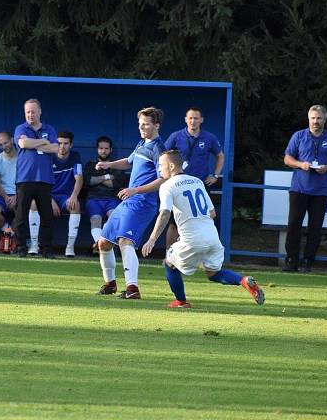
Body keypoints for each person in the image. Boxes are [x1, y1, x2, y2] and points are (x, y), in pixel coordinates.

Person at [141, 150, 265, 308]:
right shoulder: (196, 181)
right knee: (213, 274)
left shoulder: (167, 186)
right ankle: (243, 281)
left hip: (192, 239)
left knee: (169, 264)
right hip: (212, 237)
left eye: (161, 165)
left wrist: (152, 239)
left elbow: (165, 213)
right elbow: (212, 213)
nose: (159, 169)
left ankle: (181, 301)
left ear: (171, 166)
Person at [95, 107, 165, 299]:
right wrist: (109, 164)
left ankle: (132, 289)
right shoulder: (143, 143)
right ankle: (110, 284)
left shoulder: (159, 148)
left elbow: (163, 179)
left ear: (156, 125)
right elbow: (129, 161)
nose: (141, 127)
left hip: (143, 202)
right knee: (104, 243)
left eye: (146, 124)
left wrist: (135, 190)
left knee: (125, 241)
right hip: (129, 200)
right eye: (140, 124)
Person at [283, 105, 327, 272]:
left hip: (321, 190)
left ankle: (308, 262)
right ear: (308, 118)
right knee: (294, 225)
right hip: (299, 188)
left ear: (325, 119)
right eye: (313, 118)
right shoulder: (299, 136)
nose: (315, 121)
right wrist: (300, 164)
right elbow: (287, 159)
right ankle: (291, 261)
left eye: (319, 118)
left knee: (315, 228)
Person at [163, 107, 224, 248]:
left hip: (200, 186)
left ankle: (203, 254)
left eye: (196, 118)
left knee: (205, 219)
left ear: (201, 120)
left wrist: (215, 175)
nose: (193, 121)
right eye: (190, 118)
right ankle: (168, 255)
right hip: (179, 185)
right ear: (185, 119)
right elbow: (164, 155)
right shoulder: (176, 136)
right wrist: (167, 176)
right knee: (174, 222)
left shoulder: (209, 137)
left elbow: (220, 155)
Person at [12, 99, 59, 258]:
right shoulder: (21, 128)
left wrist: (36, 144)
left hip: (45, 179)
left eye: (33, 111)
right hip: (25, 178)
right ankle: (20, 247)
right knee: (21, 215)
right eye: (27, 112)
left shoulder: (49, 128)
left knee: (47, 215)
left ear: (40, 112)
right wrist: (43, 142)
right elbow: (24, 143)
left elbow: (55, 148)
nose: (30, 115)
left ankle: (46, 249)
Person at [44, 130, 83, 257]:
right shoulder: (48, 156)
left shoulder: (75, 156)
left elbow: (79, 178)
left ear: (71, 145)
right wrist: (50, 200)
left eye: (65, 143)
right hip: (48, 196)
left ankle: (70, 247)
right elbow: (42, 183)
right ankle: (33, 245)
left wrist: (73, 196)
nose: (62, 146)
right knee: (33, 204)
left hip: (66, 197)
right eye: (59, 143)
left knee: (75, 204)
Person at [84, 136, 125, 254]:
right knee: (96, 219)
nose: (103, 151)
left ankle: (102, 244)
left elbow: (116, 184)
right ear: (97, 149)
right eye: (101, 148)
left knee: (113, 217)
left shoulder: (116, 165)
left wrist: (97, 179)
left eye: (106, 148)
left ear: (111, 150)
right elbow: (89, 181)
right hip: (94, 199)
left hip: (112, 199)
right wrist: (106, 177)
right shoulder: (90, 165)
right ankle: (100, 244)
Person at [0, 131, 18, 236]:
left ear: (12, 140)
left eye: (5, 143)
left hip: (19, 194)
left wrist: (16, 196)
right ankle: (8, 232)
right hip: (2, 194)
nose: (4, 146)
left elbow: (26, 182)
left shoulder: (23, 158)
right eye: (0, 145)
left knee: (22, 214)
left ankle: (11, 240)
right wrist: (6, 197)